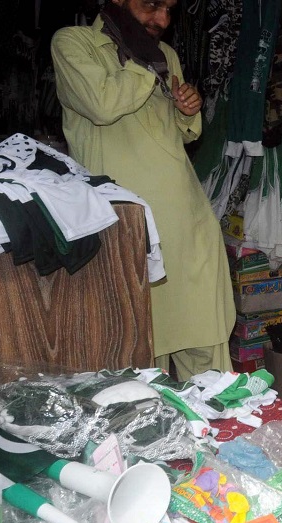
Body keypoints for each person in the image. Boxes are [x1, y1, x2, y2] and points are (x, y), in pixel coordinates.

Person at [52, 0, 234, 381]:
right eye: (152, 5)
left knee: (207, 358)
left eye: (169, 9)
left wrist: (187, 110)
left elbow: (182, 134)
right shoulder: (73, 43)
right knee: (136, 370)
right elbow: (102, 104)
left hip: (186, 226)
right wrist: (145, 65)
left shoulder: (164, 54)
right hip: (125, 231)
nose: (163, 20)